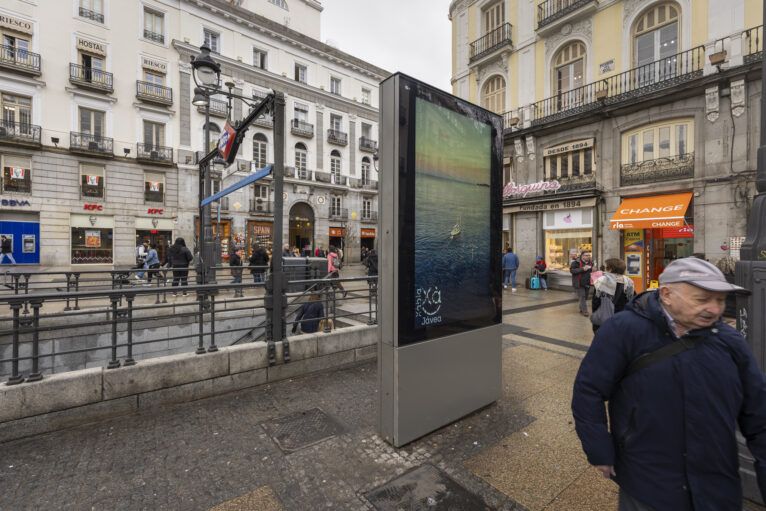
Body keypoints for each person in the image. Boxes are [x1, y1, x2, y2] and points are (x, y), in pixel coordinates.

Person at [572, 257, 766, 511]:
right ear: (666, 294)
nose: (715, 309)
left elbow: (759, 413)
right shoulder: (623, 330)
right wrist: (599, 448)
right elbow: (589, 390)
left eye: (720, 300)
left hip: (718, 486)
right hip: (647, 483)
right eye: (702, 299)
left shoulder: (730, 341)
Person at [590, 258, 634, 333]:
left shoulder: (601, 281)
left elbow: (595, 302)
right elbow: (630, 300)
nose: (604, 269)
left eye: (606, 267)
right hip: (621, 318)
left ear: (610, 269)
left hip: (604, 320)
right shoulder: (629, 282)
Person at [571, 250, 594, 317]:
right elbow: (572, 271)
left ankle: (581, 307)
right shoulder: (576, 262)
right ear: (582, 256)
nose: (588, 257)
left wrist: (594, 269)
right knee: (582, 296)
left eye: (589, 255)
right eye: (586, 255)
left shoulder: (591, 263)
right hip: (579, 283)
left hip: (587, 283)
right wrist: (582, 269)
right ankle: (585, 311)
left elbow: (592, 271)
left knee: (585, 297)